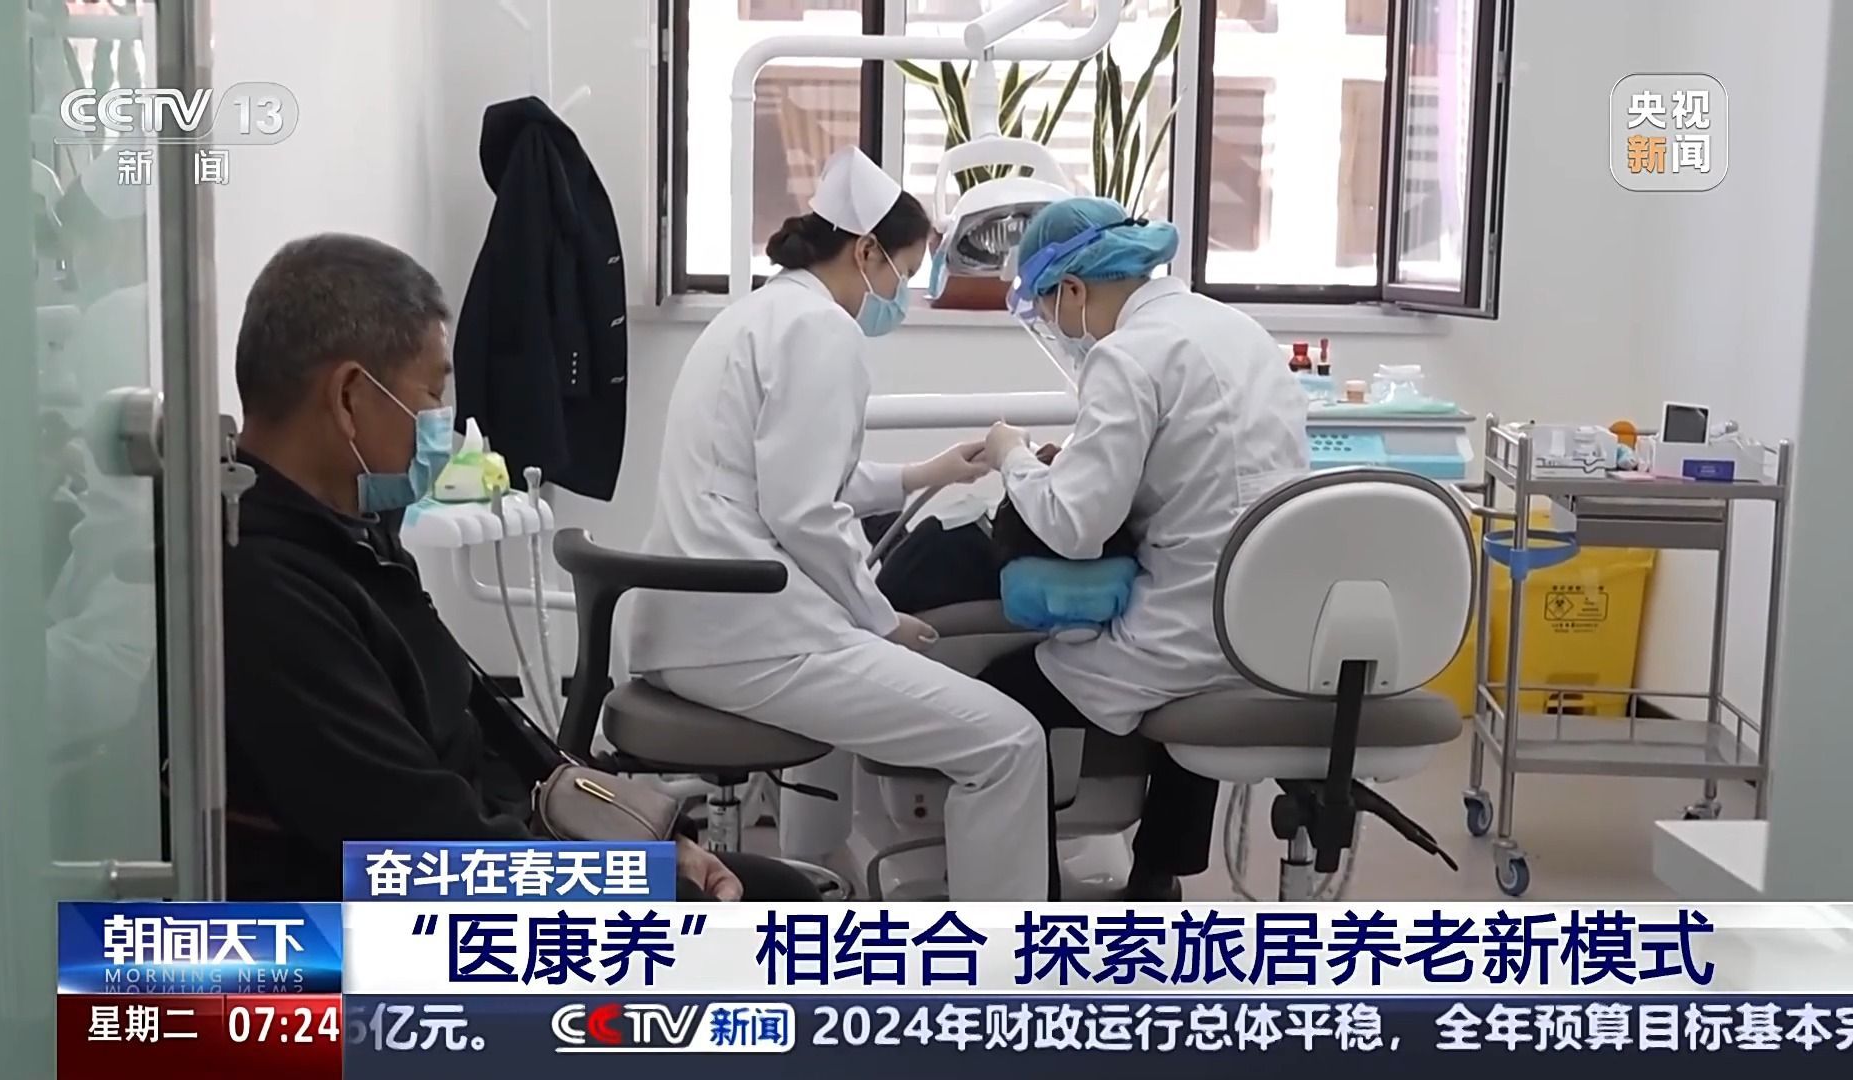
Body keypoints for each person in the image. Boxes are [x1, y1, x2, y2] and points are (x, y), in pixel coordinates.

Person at [222, 232, 819, 903]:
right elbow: (420, 846)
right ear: (350, 399)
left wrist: (644, 837)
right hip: (415, 919)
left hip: (487, 845)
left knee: (770, 888)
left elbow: (480, 717)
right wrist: (634, 881)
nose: (441, 424)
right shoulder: (267, 594)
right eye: (431, 394)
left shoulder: (351, 536)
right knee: (771, 903)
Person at [626, 147, 1051, 900]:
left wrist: (924, 474)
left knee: (862, 665)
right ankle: (997, 956)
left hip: (689, 623)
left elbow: (790, 478)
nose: (899, 295)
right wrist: (880, 620)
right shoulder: (822, 330)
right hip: (750, 636)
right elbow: (803, 510)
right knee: (1009, 741)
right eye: (904, 273)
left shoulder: (754, 316)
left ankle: (820, 875)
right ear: (866, 252)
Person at [978, 196, 1311, 900]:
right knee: (1195, 652)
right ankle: (1158, 876)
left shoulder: (1125, 356)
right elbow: (1198, 469)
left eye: (1047, 308)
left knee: (1007, 693)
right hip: (1273, 625)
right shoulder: (1238, 330)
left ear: (1073, 290)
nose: (1055, 326)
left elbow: (1073, 524)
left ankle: (1033, 897)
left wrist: (1012, 458)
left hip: (1184, 631)